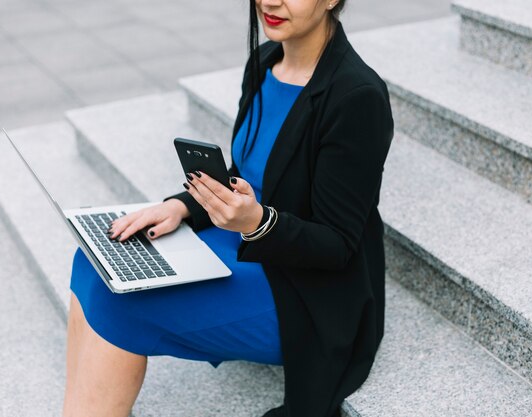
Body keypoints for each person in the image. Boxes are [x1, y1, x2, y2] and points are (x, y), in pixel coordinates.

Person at [63, 0, 394, 415]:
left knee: (120, 299)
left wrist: (257, 223)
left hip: (302, 289)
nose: (270, 2)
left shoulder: (357, 96)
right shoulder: (265, 61)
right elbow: (248, 174)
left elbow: (337, 244)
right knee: (95, 260)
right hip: (245, 240)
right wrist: (181, 207)